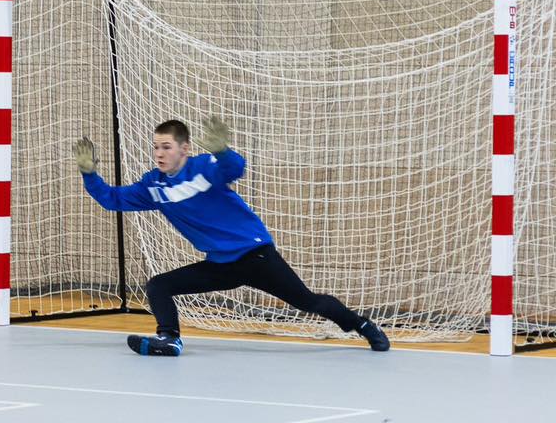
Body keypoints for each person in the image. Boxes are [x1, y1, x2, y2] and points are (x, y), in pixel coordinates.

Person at [74, 118, 389, 356]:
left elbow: (234, 168)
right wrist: (90, 175)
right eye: (156, 147)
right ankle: (169, 339)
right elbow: (112, 199)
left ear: (184, 149)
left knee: (308, 301)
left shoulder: (205, 167)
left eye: (166, 147)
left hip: (255, 257)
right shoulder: (153, 186)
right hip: (220, 265)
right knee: (159, 285)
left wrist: (222, 152)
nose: (159, 153)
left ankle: (362, 324)